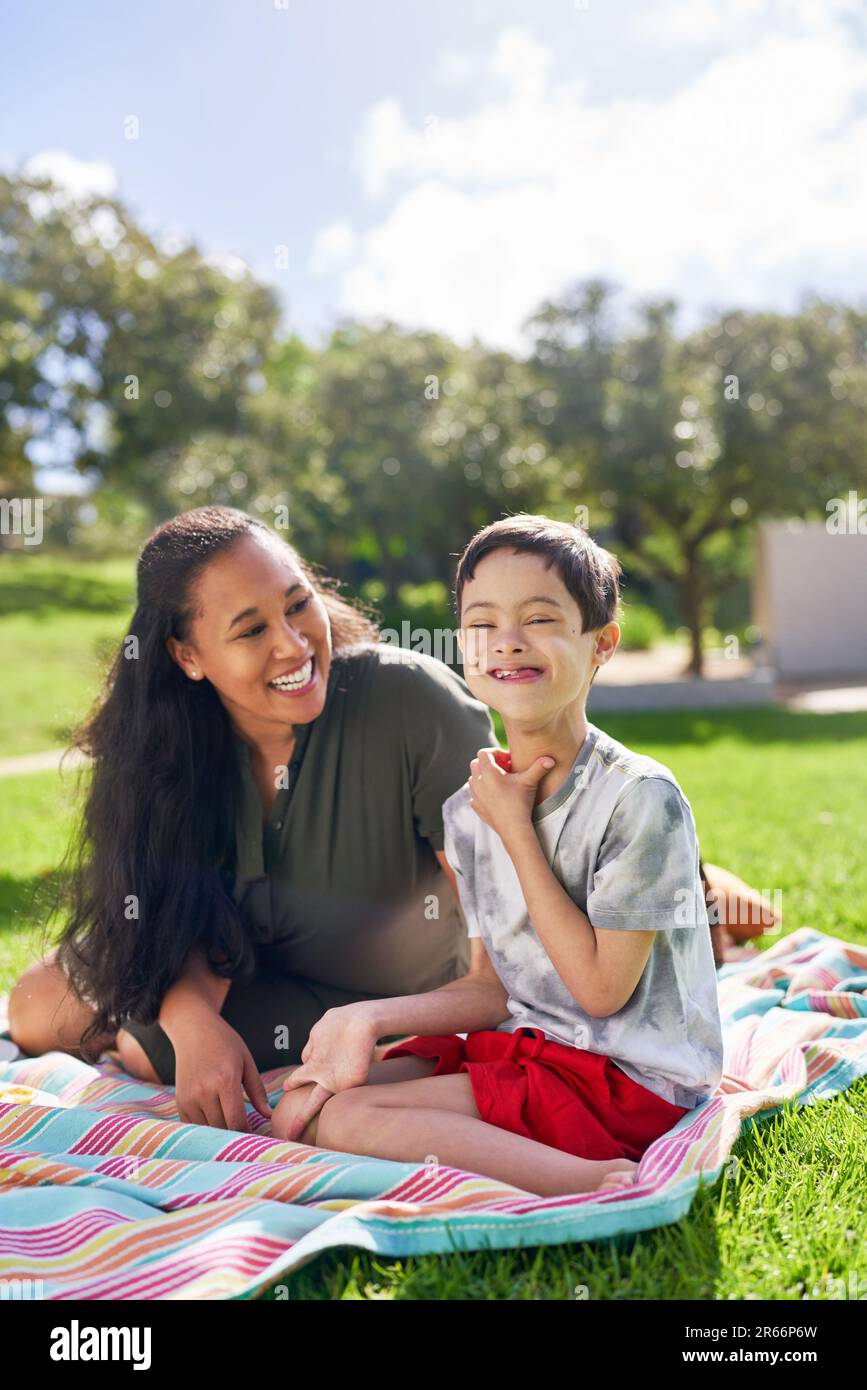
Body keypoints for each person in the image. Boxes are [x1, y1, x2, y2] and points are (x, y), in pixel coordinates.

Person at [272, 515, 725, 1198]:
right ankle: (510, 1145)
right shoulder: (468, 809)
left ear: (600, 643)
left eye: (540, 618)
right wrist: (366, 1018)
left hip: (631, 1078)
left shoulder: (638, 799)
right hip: (537, 1050)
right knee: (298, 1109)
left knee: (349, 1122)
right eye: (482, 623)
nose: (506, 641)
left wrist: (516, 831)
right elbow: (490, 989)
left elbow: (600, 993)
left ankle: (598, 1181)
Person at [7, 506, 493, 1132]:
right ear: (188, 656)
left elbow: (500, 952)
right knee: (38, 1005)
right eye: (250, 630)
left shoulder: (410, 701)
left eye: (297, 605)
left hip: (402, 1002)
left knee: (145, 1045)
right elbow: (181, 919)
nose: (292, 644)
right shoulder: (172, 749)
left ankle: (148, 1042)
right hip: (263, 980)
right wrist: (193, 1024)